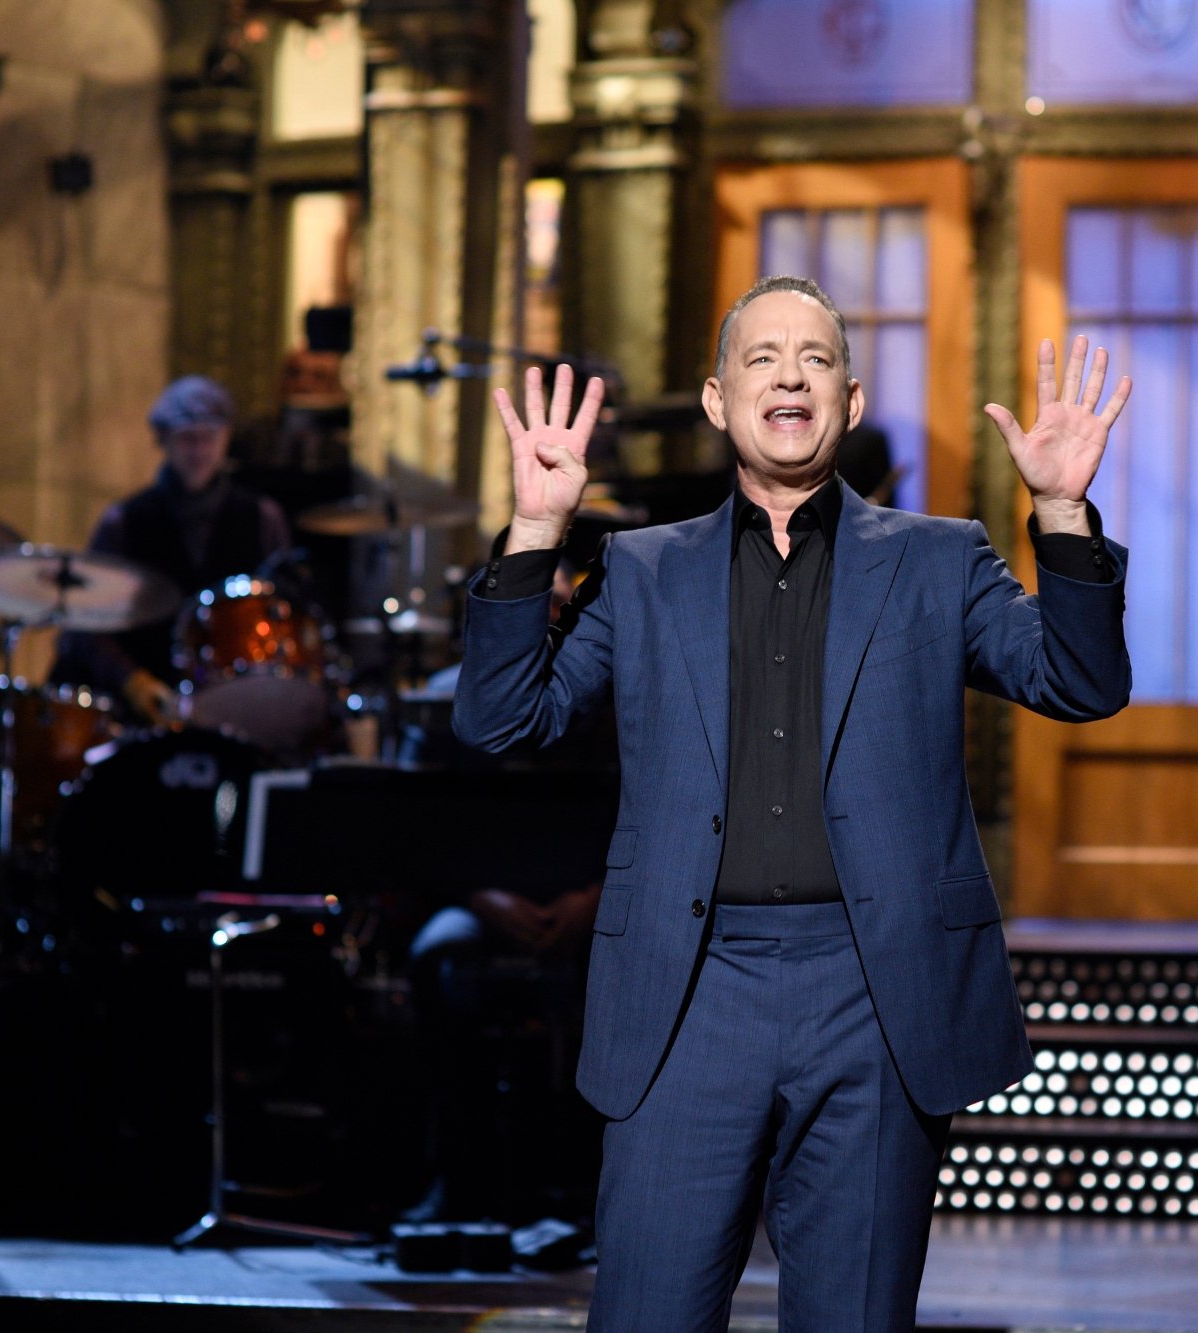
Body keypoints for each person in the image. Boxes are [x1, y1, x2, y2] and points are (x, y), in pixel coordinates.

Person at [453, 275, 1132, 1330]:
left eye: (814, 359)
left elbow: (1078, 685)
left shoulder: (937, 557)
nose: (788, 375)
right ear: (719, 399)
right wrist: (537, 529)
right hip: (687, 992)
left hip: (874, 991)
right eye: (762, 357)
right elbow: (501, 722)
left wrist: (1058, 511)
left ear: (848, 403)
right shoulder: (639, 569)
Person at [52, 375, 288, 723]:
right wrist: (130, 680)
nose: (200, 452)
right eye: (188, 440)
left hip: (234, 709)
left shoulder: (262, 518)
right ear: (162, 441)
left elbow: (283, 611)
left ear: (226, 439)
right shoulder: (123, 521)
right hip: (140, 712)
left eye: (209, 438)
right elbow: (83, 624)